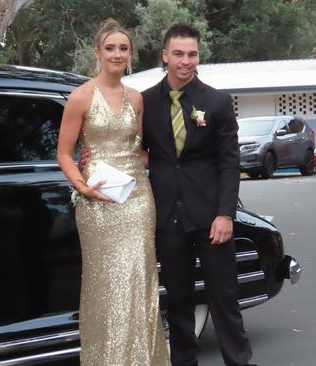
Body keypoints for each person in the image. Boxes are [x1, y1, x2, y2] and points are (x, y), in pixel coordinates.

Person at [56, 19, 170, 366]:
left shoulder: (136, 98)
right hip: (98, 203)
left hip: (137, 200)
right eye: (110, 48)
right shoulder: (80, 97)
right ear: (97, 53)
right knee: (105, 287)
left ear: (130, 55)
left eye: (123, 48)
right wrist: (82, 186)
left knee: (140, 280)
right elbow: (64, 153)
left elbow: (138, 149)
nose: (117, 54)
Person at [141, 24, 255, 366]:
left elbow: (229, 162)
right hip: (167, 217)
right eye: (178, 54)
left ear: (198, 56)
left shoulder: (217, 102)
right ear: (165, 56)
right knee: (178, 302)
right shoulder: (145, 102)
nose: (185, 61)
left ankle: (239, 361)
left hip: (211, 217)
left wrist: (225, 214)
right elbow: (139, 150)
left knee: (224, 299)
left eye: (191, 54)